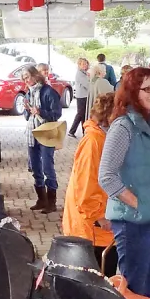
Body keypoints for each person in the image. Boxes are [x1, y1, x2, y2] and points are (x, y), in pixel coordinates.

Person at [99, 70, 150, 299]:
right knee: (135, 293)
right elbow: (106, 176)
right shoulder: (123, 126)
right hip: (133, 222)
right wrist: (138, 204)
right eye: (147, 89)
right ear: (133, 92)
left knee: (147, 293)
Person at [62, 92, 117, 272]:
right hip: (91, 228)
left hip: (97, 225)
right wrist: (99, 216)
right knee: (98, 284)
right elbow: (86, 184)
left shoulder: (101, 139)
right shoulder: (94, 142)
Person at [25, 65, 63, 212]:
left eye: (27, 77)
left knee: (47, 166)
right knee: (35, 167)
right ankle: (41, 199)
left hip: (47, 133)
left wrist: (41, 111)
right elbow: (28, 117)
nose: (26, 81)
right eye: (24, 79)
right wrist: (27, 110)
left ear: (35, 76)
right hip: (32, 133)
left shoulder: (48, 92)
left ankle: (51, 202)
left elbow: (56, 114)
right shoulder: (28, 93)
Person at [69, 58, 92, 138]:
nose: (85, 65)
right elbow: (88, 85)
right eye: (83, 64)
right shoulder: (80, 74)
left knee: (82, 114)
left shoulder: (84, 73)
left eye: (86, 64)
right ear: (79, 65)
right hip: (82, 96)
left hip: (83, 95)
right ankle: (72, 131)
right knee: (80, 114)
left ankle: (83, 131)